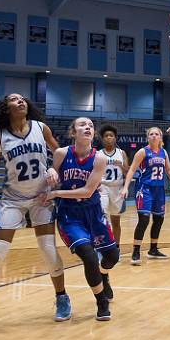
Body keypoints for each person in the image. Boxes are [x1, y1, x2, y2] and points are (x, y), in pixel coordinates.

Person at [0, 93, 68, 328]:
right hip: (12, 199)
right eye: (14, 99)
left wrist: (54, 169)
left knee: (48, 250)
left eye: (23, 99)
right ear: (5, 108)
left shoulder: (41, 128)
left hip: (41, 198)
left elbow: (60, 153)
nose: (21, 101)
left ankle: (62, 298)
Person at [47, 117, 119, 321]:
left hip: (93, 212)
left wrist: (57, 194)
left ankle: (104, 275)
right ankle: (101, 302)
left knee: (112, 256)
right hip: (70, 215)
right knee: (88, 256)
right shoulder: (61, 154)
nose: (87, 127)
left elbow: (88, 192)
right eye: (82, 125)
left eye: (91, 126)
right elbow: (54, 180)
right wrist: (51, 170)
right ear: (73, 132)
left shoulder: (99, 158)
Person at [121, 127, 170, 264]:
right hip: (144, 189)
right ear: (148, 137)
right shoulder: (142, 152)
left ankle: (153, 249)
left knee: (159, 219)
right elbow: (131, 169)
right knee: (144, 219)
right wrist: (125, 187)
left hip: (159, 189)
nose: (154, 136)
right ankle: (136, 251)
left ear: (160, 137)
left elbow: (168, 169)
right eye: (151, 134)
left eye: (157, 134)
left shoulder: (163, 152)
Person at [97, 125, 129, 257]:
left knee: (116, 221)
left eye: (111, 136)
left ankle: (116, 247)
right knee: (101, 218)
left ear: (115, 138)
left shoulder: (121, 153)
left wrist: (120, 165)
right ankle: (103, 246)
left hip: (117, 188)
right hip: (103, 188)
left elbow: (128, 171)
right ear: (102, 139)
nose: (109, 138)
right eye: (106, 136)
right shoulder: (98, 154)